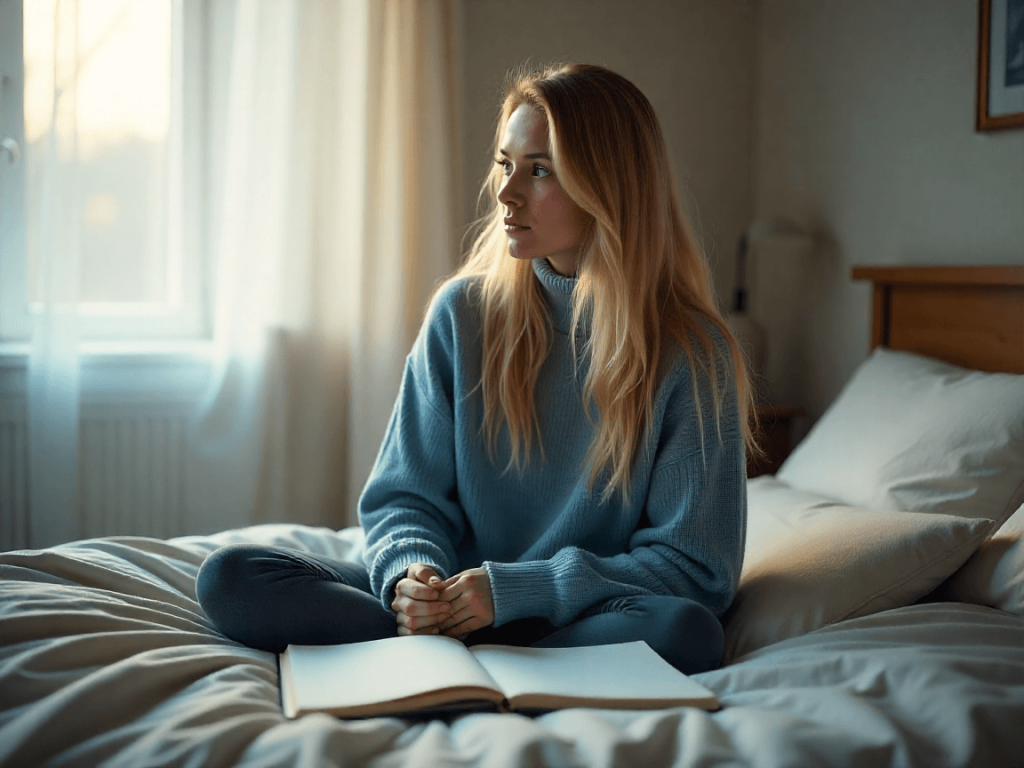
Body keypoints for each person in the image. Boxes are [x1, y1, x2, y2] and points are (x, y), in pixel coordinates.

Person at [196, 62, 757, 675]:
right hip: (445, 608)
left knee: (688, 630)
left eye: (539, 169)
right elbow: (402, 496)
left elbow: (694, 568)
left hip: (580, 614)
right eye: (505, 163)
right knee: (231, 577)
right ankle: (461, 648)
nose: (506, 191)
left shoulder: (692, 353)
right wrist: (414, 577)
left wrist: (518, 591)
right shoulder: (462, 314)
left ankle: (477, 655)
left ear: (609, 183)